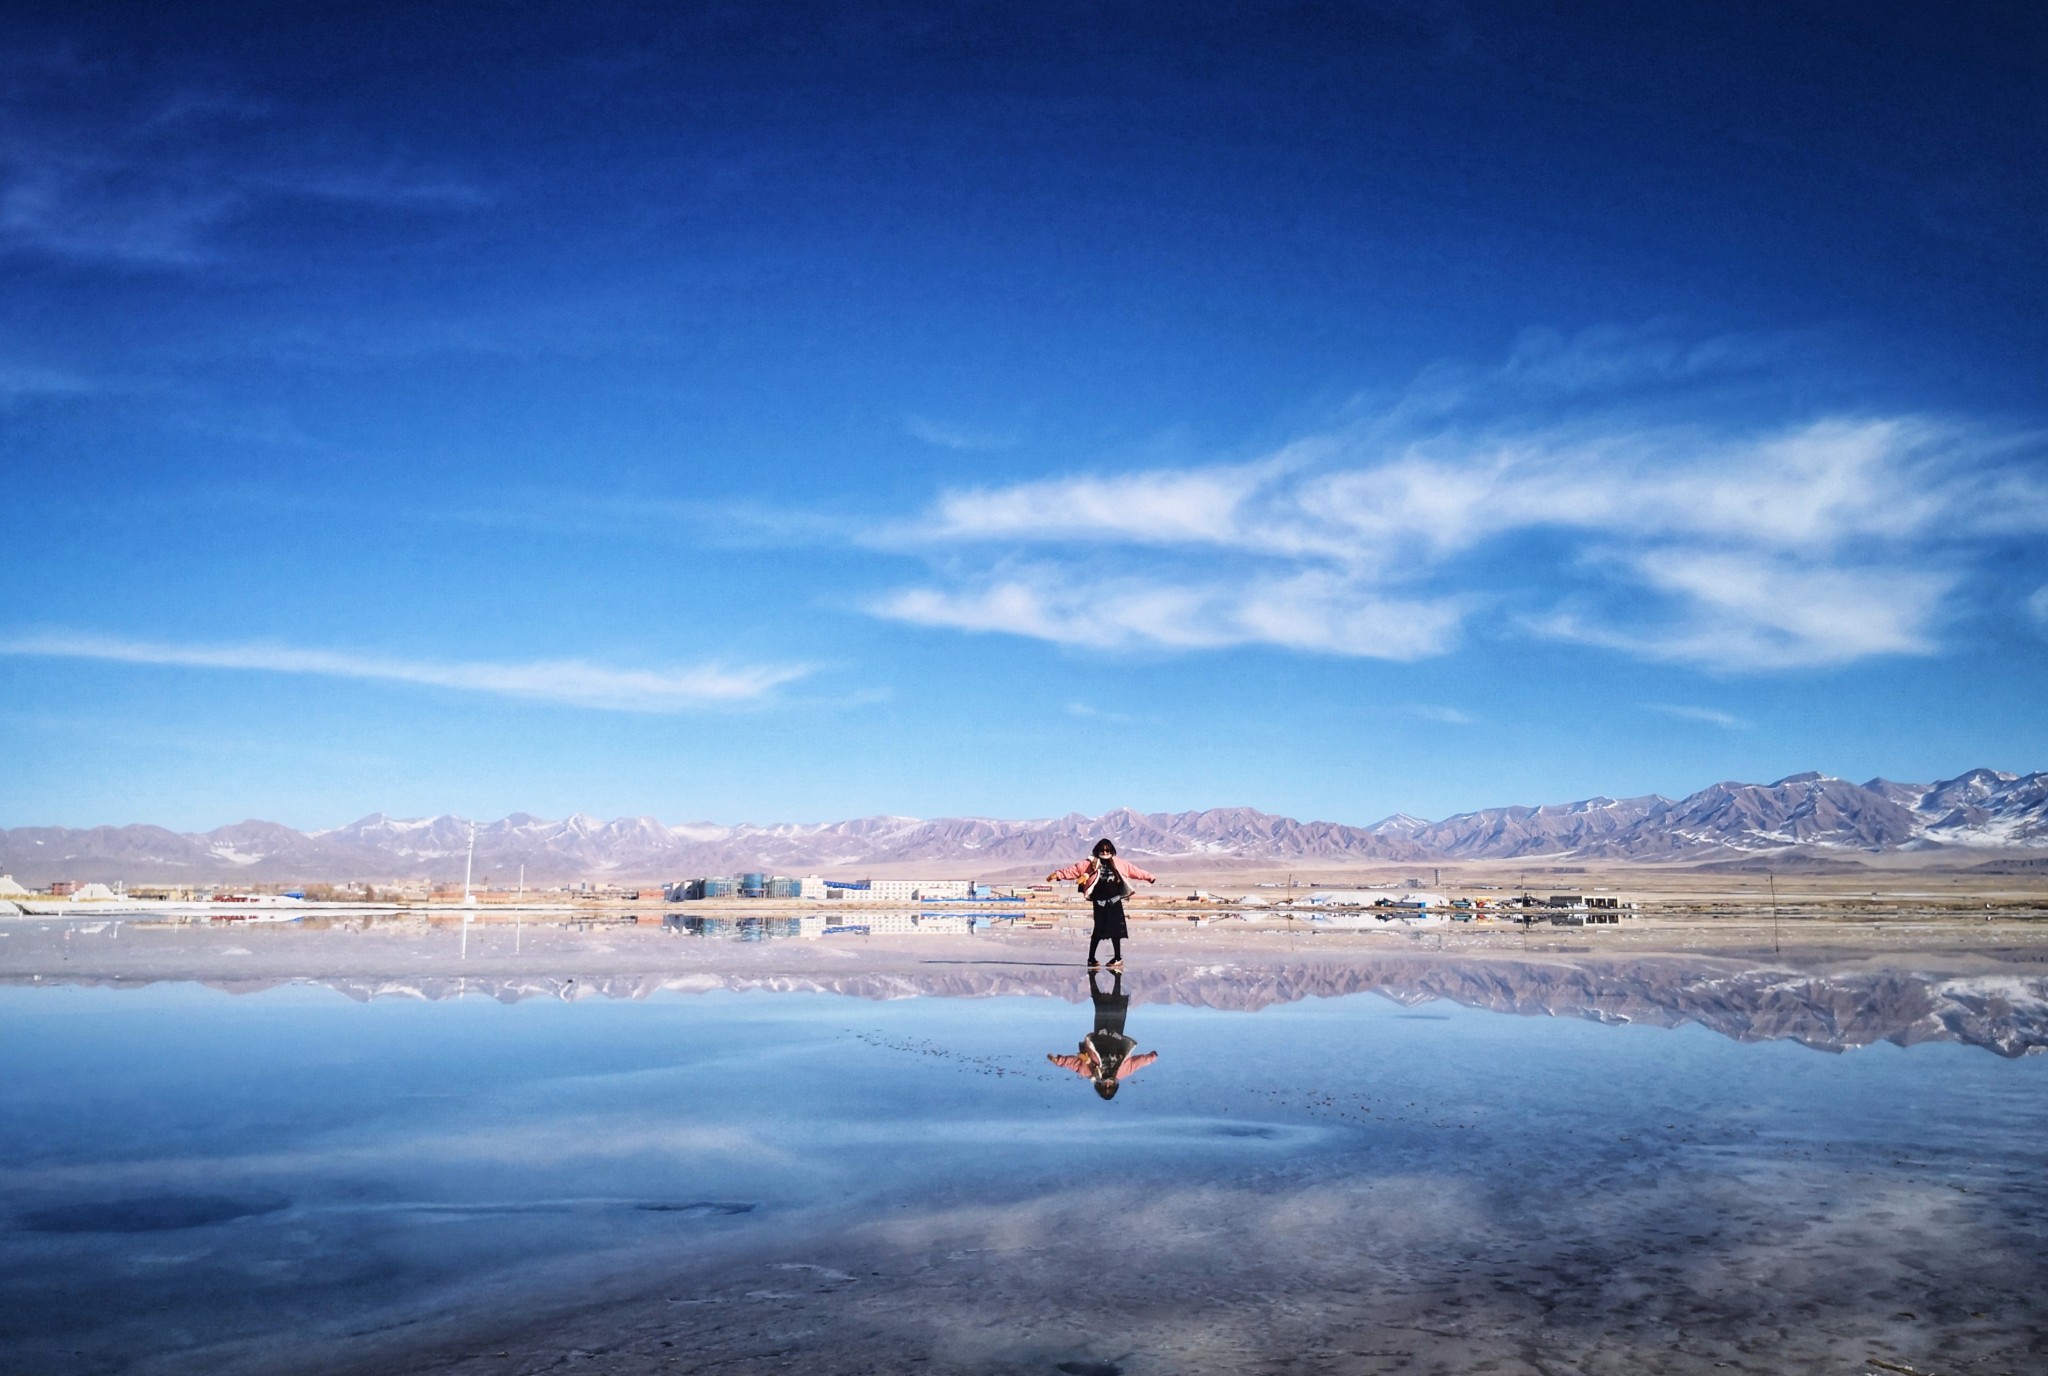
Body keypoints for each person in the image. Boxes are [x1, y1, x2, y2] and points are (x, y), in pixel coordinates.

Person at [1047, 967, 1157, 1099]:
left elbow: (1073, 1064)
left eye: (1104, 1087)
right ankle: (1117, 976)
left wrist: (1059, 1061)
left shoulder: (1089, 1072)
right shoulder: (1122, 1073)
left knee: (1101, 1008)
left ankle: (1092, 975)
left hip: (1099, 1037)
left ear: (1098, 1086)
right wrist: (1151, 1058)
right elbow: (1137, 1063)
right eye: (1110, 1086)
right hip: (1116, 1037)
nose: (1107, 1084)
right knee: (1117, 1009)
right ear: (1115, 1085)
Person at [1047, 837, 1156, 970]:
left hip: (1115, 901)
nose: (1104, 852)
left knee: (1116, 930)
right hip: (1099, 902)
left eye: (1107, 850)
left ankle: (1117, 958)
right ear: (1097, 850)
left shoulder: (1119, 863)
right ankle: (1091, 958)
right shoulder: (1089, 863)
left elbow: (1134, 871)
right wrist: (1057, 875)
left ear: (1112, 850)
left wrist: (1149, 877)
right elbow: (1074, 870)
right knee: (1098, 929)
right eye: (1102, 850)